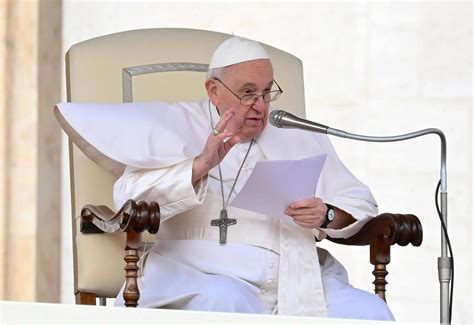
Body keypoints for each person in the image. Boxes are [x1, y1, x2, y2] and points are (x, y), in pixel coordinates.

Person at [106, 36, 393, 319]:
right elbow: (128, 197)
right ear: (214, 91)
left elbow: (359, 202)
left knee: (369, 312)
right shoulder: (176, 126)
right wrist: (199, 166)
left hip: (296, 280)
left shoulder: (296, 132)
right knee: (227, 302)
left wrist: (327, 215)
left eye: (267, 92)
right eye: (248, 93)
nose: (261, 106)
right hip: (199, 277)